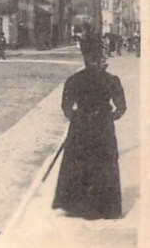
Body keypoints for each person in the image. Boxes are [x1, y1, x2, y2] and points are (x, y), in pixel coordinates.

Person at [52, 34, 126, 219]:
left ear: (85, 58)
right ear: (100, 57)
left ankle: (79, 206)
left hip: (81, 128)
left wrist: (78, 117)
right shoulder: (111, 79)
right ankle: (105, 207)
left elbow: (66, 108)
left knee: (80, 162)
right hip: (103, 127)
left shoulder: (74, 80)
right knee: (104, 163)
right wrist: (107, 117)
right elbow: (121, 108)